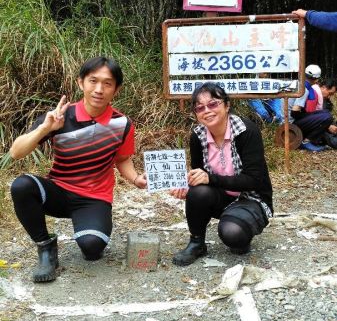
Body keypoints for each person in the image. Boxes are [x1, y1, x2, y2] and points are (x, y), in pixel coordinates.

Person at [10, 56, 147, 283]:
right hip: (58, 192)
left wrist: (135, 179)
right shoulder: (60, 116)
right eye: (93, 81)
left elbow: (122, 160)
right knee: (22, 186)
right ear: (80, 83)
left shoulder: (122, 123)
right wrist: (44, 128)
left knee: (92, 249)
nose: (99, 89)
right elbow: (16, 153)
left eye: (107, 83)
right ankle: (46, 248)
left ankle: (89, 229)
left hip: (94, 198)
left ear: (117, 89)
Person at [170, 82, 273, 266]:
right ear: (196, 114)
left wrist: (210, 178)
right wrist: (187, 185)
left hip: (252, 198)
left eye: (213, 104)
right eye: (200, 108)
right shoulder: (197, 136)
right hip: (220, 196)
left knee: (233, 234)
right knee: (197, 191)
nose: (207, 111)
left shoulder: (246, 131)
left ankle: (242, 227)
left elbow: (254, 180)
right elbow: (199, 175)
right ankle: (196, 242)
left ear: (226, 105)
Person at [288, 64, 337, 152]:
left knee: (324, 113)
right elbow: (294, 112)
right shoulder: (305, 89)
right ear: (317, 79)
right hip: (291, 122)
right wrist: (311, 118)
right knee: (327, 117)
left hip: (286, 118)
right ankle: (306, 141)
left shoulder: (297, 83)